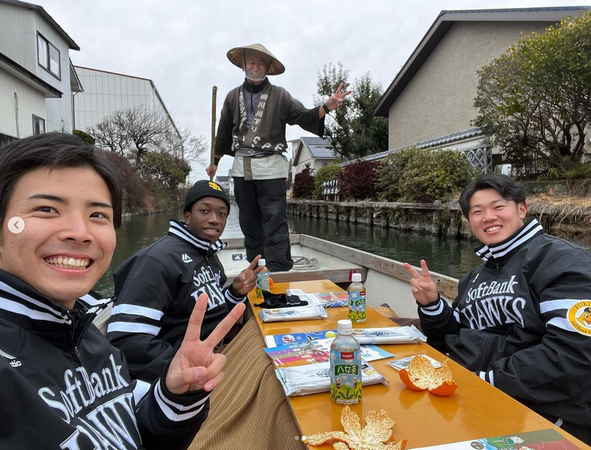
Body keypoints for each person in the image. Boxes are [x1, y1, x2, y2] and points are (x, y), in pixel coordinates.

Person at [0, 133, 245, 449]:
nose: (79, 232)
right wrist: (170, 364)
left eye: (97, 215)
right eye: (46, 209)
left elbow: (128, 426)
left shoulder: (87, 334)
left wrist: (176, 392)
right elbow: (132, 340)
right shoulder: (157, 261)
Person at [404, 173, 591, 445]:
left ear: (522, 209)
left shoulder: (562, 261)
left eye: (498, 207)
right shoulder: (475, 277)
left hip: (546, 414)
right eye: (477, 211)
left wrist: (486, 380)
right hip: (478, 397)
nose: (488, 217)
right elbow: (454, 336)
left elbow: (575, 354)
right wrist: (432, 305)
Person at [207, 43, 350, 272]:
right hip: (241, 168)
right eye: (251, 62)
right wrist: (214, 162)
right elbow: (223, 133)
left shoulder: (280, 95)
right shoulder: (232, 97)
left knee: (275, 223)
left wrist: (327, 106)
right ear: (243, 65)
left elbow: (303, 116)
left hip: (271, 167)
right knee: (249, 223)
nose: (255, 67)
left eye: (260, 63)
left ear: (267, 67)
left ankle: (280, 271)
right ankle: (256, 269)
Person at [107, 180, 261, 382]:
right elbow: (127, 342)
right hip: (184, 372)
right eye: (205, 211)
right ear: (187, 216)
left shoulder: (206, 253)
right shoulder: (156, 261)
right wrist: (186, 370)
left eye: (221, 214)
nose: (215, 219)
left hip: (215, 350)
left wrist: (235, 292)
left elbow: (210, 311)